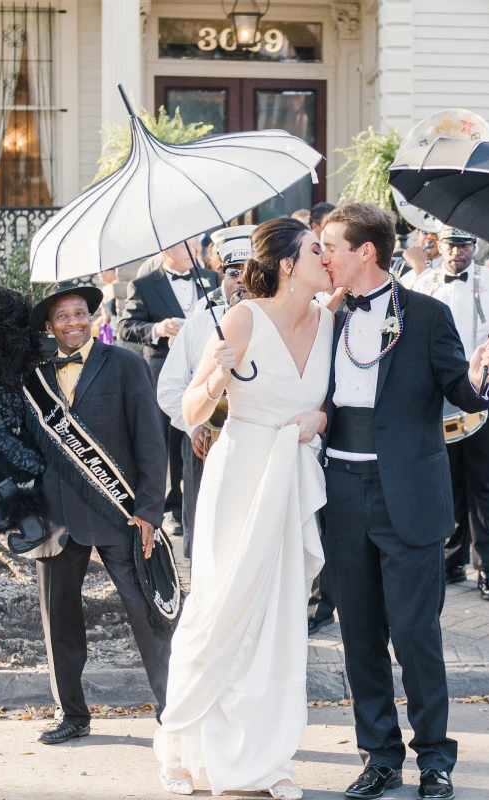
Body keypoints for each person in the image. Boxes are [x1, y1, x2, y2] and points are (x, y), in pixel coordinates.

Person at [319, 202, 489, 800]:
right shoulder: (322, 320)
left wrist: (482, 374)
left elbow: (462, 393)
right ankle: (379, 755)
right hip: (342, 490)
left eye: (331, 247)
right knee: (359, 635)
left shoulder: (427, 315)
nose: (323, 257)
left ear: (365, 252)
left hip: (410, 494)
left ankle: (435, 758)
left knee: (416, 632)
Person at [0, 282, 171, 744]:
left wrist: (149, 509)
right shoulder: (33, 379)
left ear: (92, 318)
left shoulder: (125, 364)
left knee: (148, 617)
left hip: (118, 514)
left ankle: (175, 712)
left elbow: (151, 441)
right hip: (54, 519)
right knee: (60, 623)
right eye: (62, 317)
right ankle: (72, 715)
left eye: (80, 313)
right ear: (49, 326)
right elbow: (17, 449)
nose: (73, 323)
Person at [154, 217, 334, 799]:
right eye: (315, 249)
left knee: (280, 620)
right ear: (287, 263)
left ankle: (269, 760)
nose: (325, 257)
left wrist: (321, 419)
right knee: (222, 610)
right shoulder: (241, 318)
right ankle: (183, 744)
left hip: (292, 479)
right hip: (239, 477)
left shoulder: (331, 319)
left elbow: (333, 404)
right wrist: (218, 378)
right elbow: (189, 410)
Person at [410, 226, 489, 601]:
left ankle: (487, 567)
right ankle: (452, 559)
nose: (459, 251)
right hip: (439, 396)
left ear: (476, 246)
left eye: (465, 244)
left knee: (485, 485)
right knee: (448, 482)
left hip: (484, 391)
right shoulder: (421, 284)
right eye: (452, 244)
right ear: (438, 246)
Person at [155, 225, 252, 561]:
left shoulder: (281, 325)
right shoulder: (199, 324)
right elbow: (169, 387)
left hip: (258, 450)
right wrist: (192, 426)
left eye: (251, 272)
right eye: (233, 273)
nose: (241, 280)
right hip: (203, 447)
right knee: (203, 538)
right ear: (221, 278)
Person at [119, 242, 220, 537]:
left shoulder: (211, 278)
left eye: (195, 246)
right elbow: (126, 326)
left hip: (207, 370)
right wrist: (157, 329)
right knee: (165, 438)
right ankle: (170, 507)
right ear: (166, 253)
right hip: (164, 370)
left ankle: (198, 504)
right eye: (185, 248)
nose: (194, 252)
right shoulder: (144, 284)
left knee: (201, 433)